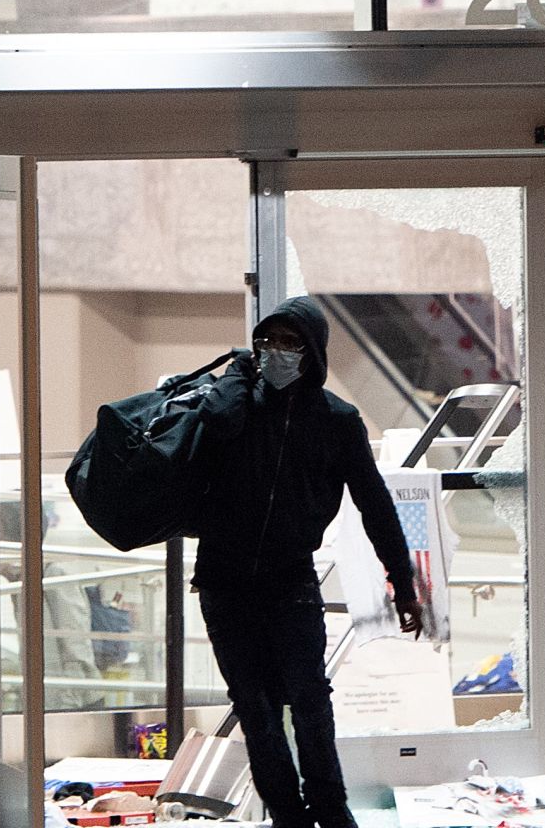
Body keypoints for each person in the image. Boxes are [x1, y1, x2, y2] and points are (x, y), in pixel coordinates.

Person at [195, 297, 422, 828]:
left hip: (289, 579)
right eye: (267, 342)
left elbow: (375, 504)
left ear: (314, 352)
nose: (277, 353)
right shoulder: (238, 407)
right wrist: (235, 376)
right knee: (256, 709)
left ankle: (330, 807)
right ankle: (288, 816)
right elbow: (213, 425)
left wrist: (402, 581)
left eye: (291, 343)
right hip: (223, 580)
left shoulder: (337, 422)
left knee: (310, 700)